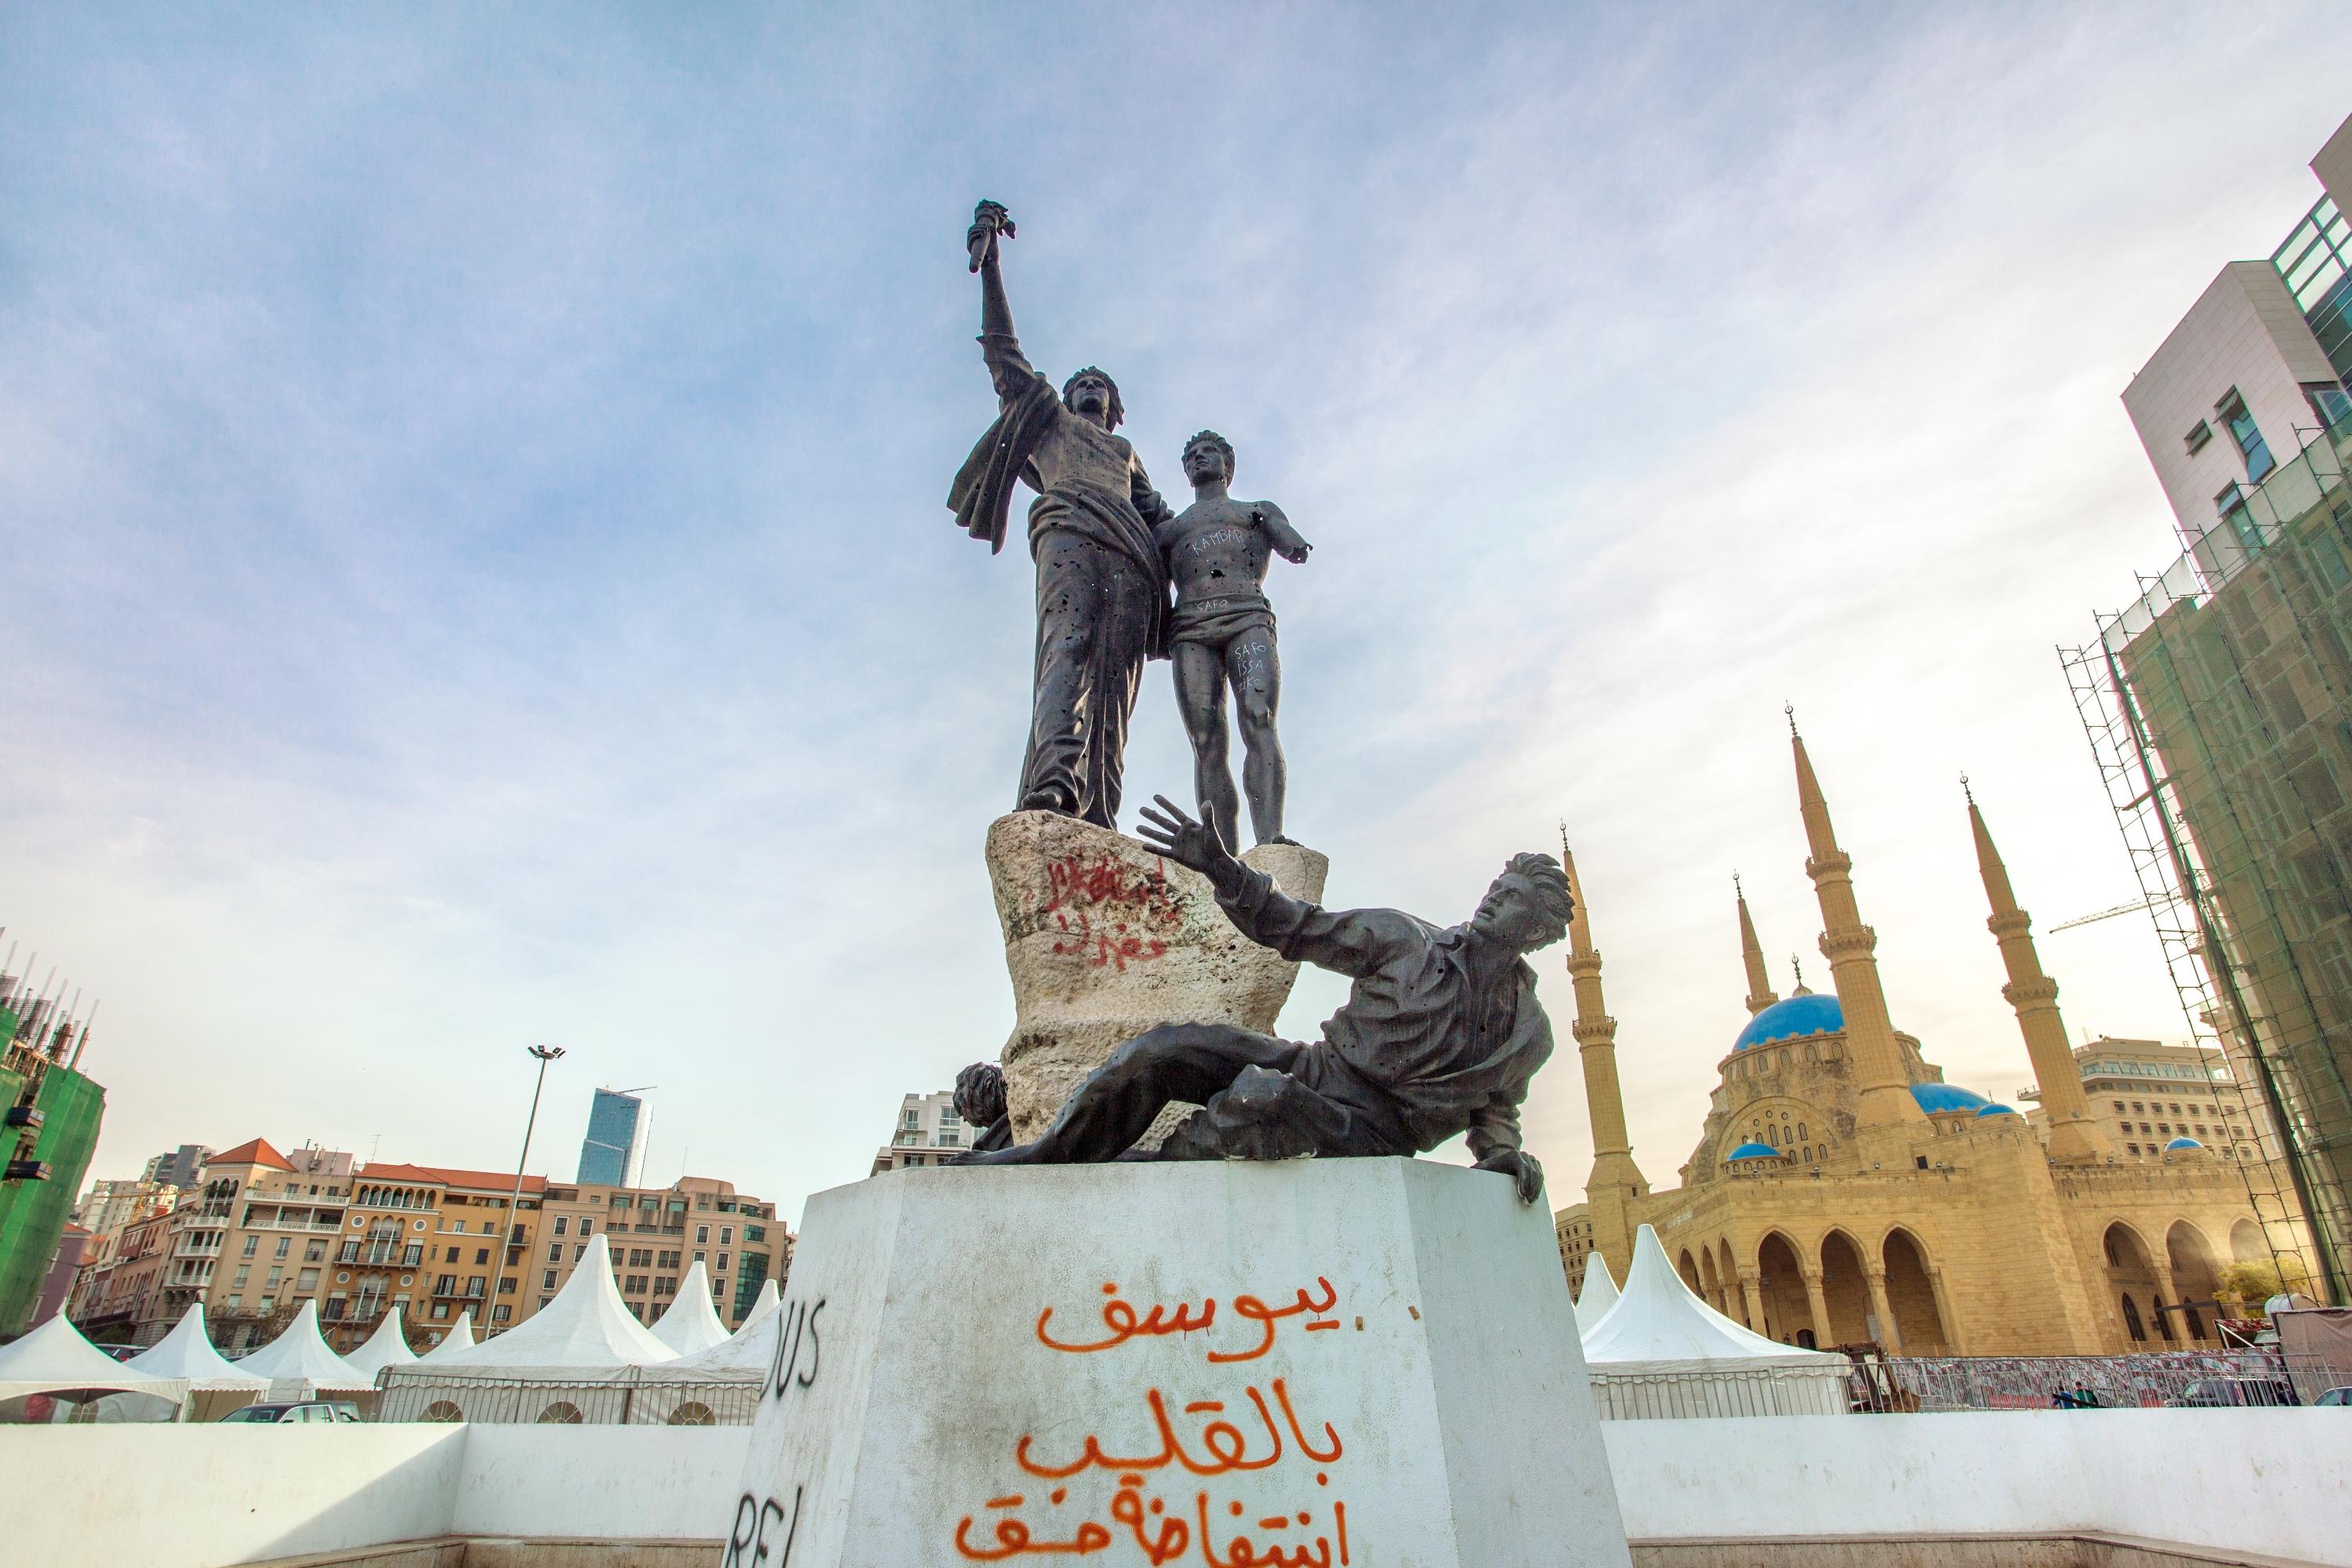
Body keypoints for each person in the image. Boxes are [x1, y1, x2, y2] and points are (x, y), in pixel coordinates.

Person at [956, 796, 1571, 1203]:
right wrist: (1222, 870)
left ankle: (1149, 1177)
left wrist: (1503, 1155)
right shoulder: (1404, 938)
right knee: (1169, 1048)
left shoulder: (1528, 1034)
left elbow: (1496, 1108)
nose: (1493, 899)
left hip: (1370, 1132)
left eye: (1513, 898)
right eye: (1497, 886)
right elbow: (1293, 927)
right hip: (1316, 1066)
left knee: (1263, 1101)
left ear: (1538, 932)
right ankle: (1047, 1156)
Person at [946, 201, 1176, 829]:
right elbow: (1004, 353)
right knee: (1067, 654)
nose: (1089, 387)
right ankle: (1052, 787)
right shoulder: (1047, 418)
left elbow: (1165, 523)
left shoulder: (1127, 454)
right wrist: (992, 268)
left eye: (1100, 384)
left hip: (1134, 561)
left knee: (1115, 695)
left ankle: (1100, 811)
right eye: (1082, 381)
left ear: (1117, 405)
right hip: (1071, 536)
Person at [1157, 430, 1312, 851]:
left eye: (1208, 452)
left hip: (1247, 616)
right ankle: (1222, 853)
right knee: (1206, 739)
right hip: (1191, 627)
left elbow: (1289, 541)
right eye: (1190, 455)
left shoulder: (1255, 510)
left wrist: (1286, 537)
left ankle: (1270, 838)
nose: (1198, 459)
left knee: (1259, 716)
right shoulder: (1171, 529)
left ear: (1228, 464)